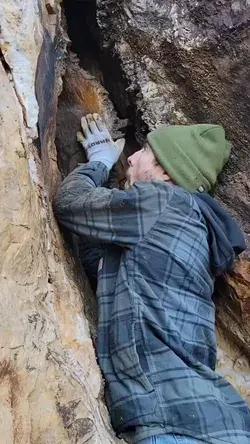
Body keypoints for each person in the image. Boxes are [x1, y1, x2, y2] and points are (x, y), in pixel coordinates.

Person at [53, 113, 250, 444]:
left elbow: (70, 203)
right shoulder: (188, 227)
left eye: (145, 150)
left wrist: (100, 162)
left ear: (167, 174)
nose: (130, 156)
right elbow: (103, 273)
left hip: (178, 426)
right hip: (198, 421)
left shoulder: (165, 202)